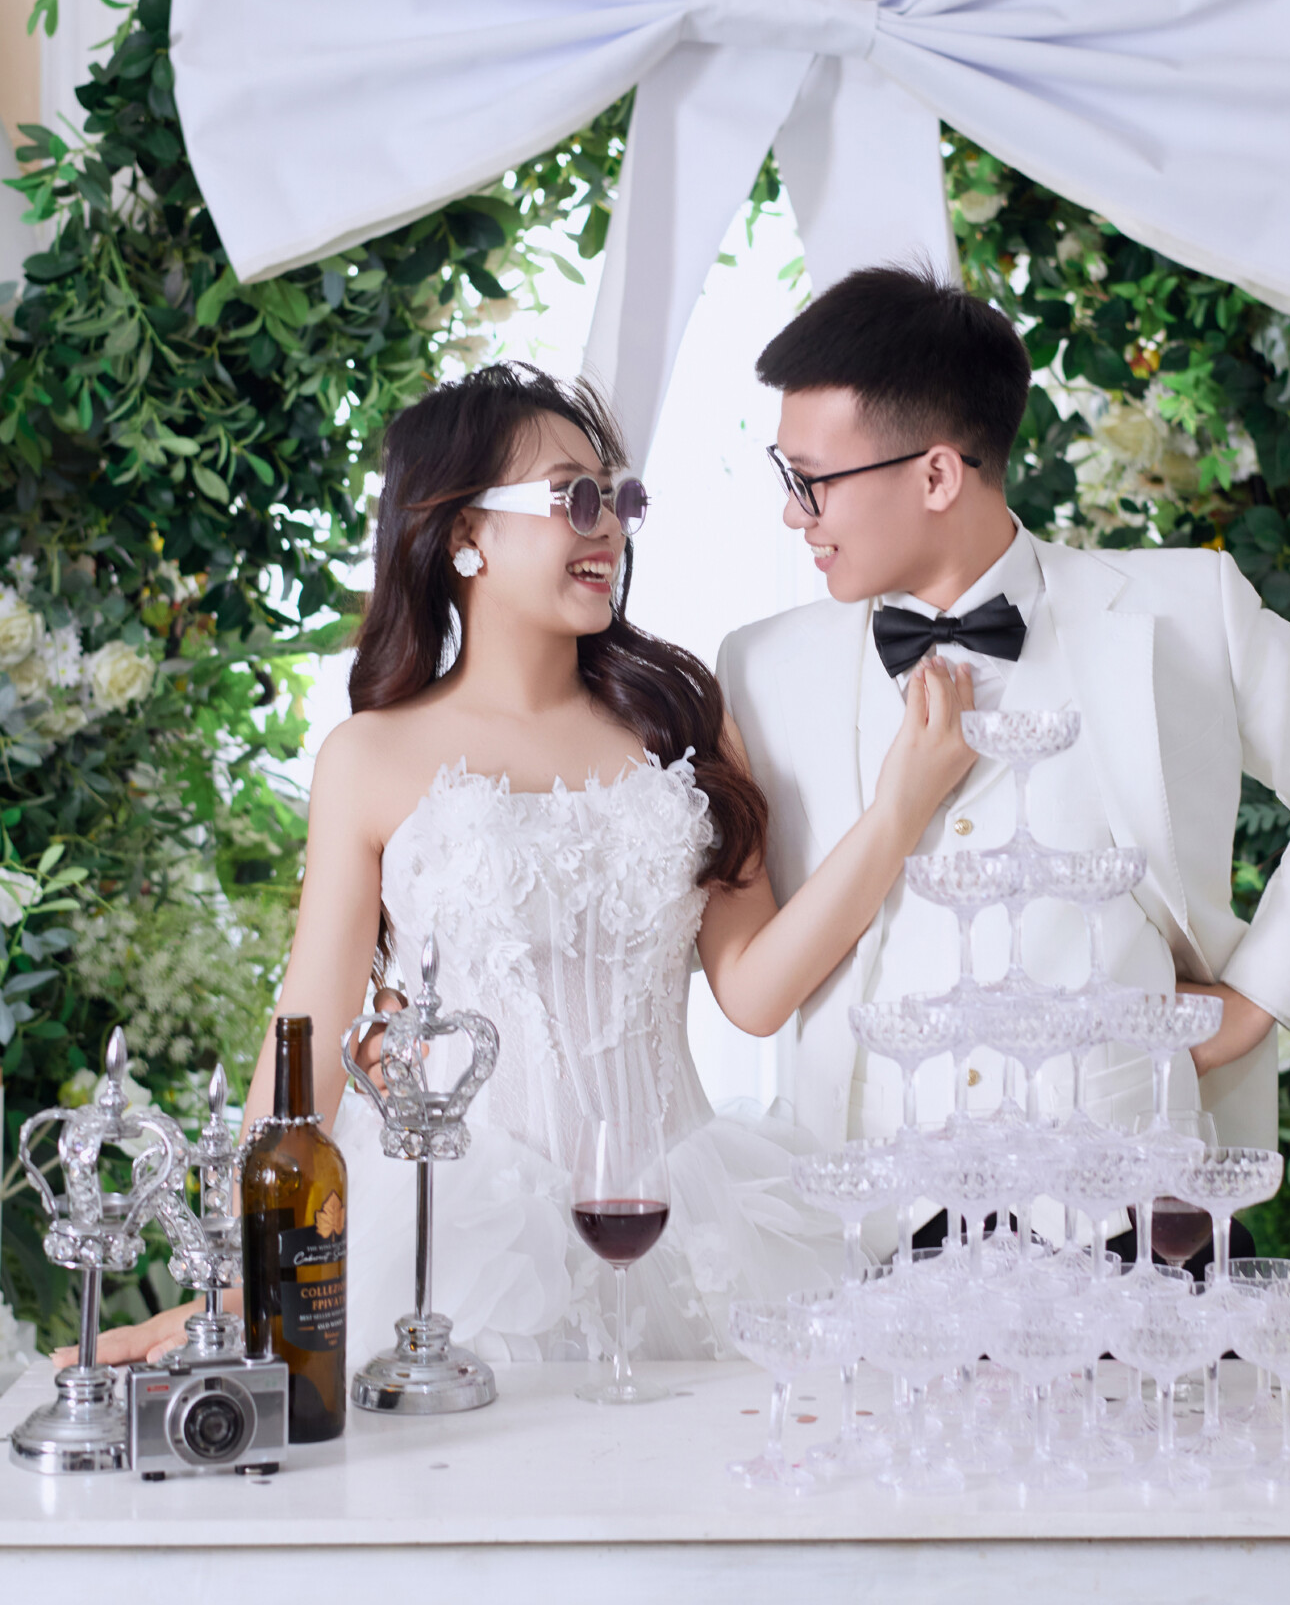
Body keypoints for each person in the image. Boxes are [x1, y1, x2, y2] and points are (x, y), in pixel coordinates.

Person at [85, 361, 976, 1368]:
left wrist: (899, 811)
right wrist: (237, 1282)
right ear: (465, 532)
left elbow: (756, 991)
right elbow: (308, 1032)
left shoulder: (681, 716)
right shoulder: (370, 756)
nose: (610, 530)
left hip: (678, 1220)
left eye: (620, 499)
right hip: (460, 1239)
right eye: (574, 499)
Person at [717, 266, 1290, 1175]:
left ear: (936, 474)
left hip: (1129, 1191)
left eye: (811, 480)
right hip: (869, 1203)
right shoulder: (759, 670)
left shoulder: (1184, 611)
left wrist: (1260, 996)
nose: (792, 513)